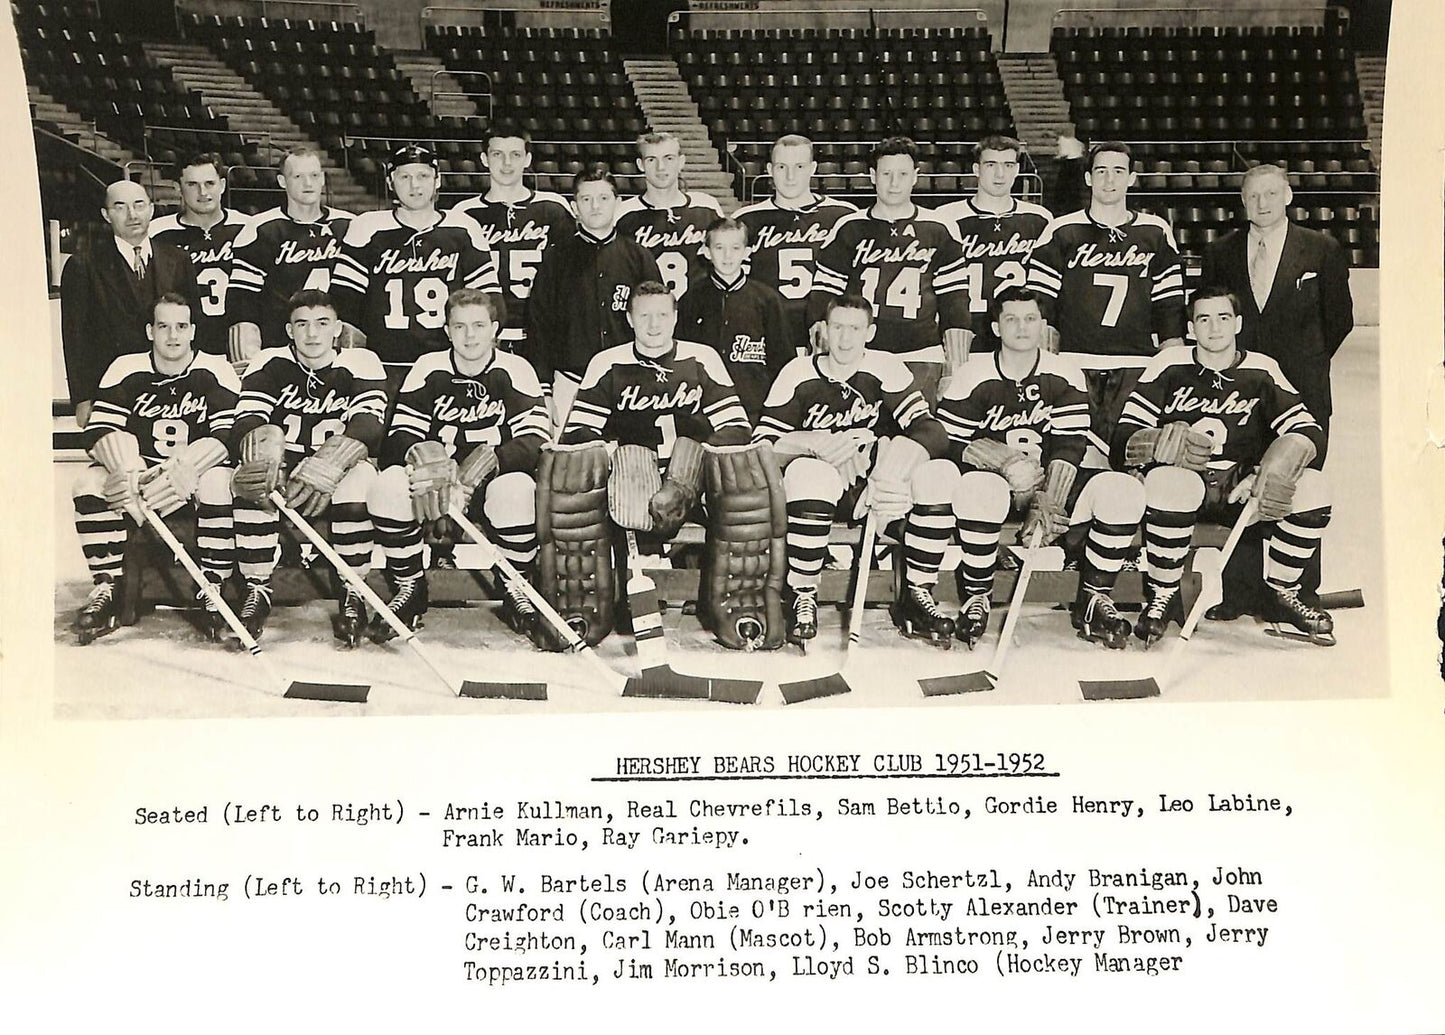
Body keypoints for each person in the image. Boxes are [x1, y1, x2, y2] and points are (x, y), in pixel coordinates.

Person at [1112, 286, 1334, 645]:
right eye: (1204, 319)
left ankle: (1284, 590)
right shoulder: (1169, 365)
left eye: (1223, 318)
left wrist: (1273, 468)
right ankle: (1163, 592)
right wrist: (1155, 444)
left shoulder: (1262, 368)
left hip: (1241, 488)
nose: (1214, 328)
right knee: (1169, 480)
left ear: (1238, 324)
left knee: (1314, 486)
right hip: (1184, 489)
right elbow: (1123, 436)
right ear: (1189, 329)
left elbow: (1307, 429)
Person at [935, 287, 1144, 649]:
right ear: (996, 327)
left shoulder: (1064, 373)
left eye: (1030, 319)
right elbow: (949, 442)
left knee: (1123, 490)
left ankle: (1095, 597)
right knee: (978, 488)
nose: (1021, 327)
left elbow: (1069, 445)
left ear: (1043, 325)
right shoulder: (973, 373)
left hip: (1051, 483)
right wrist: (997, 459)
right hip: (995, 487)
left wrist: (1050, 501)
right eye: (1011, 319)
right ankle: (977, 595)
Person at [752, 293, 957, 646]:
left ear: (870, 332)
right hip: (817, 489)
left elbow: (931, 431)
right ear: (824, 330)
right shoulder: (799, 371)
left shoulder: (885, 366)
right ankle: (803, 594)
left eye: (855, 329)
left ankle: (917, 594)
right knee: (810, 473)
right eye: (837, 328)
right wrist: (814, 443)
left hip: (877, 489)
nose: (845, 339)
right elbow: (763, 445)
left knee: (938, 476)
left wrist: (890, 463)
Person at [367, 289, 551, 644]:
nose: (470, 335)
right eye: (460, 326)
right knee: (388, 485)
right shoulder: (428, 367)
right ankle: (410, 586)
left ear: (495, 328)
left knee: (518, 489)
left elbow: (534, 441)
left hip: (491, 483)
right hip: (436, 487)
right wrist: (426, 461)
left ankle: (515, 583)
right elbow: (398, 436)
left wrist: (485, 465)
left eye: (479, 325)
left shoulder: (516, 369)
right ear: (448, 331)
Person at [70, 293, 240, 644]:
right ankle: (107, 585)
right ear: (150, 331)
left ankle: (213, 584)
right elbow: (100, 430)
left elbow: (228, 434)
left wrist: (187, 467)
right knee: (88, 482)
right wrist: (129, 474)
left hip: (194, 472)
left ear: (193, 330)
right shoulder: (126, 366)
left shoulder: (215, 368)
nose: (173, 336)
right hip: (140, 473)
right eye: (163, 326)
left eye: (181, 327)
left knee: (219, 483)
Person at [227, 290, 387, 646]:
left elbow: (369, 425)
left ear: (337, 328)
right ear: (289, 330)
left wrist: (330, 461)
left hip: (337, 468)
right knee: (255, 478)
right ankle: (257, 589)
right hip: (286, 468)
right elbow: (247, 419)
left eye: (322, 324)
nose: (312, 334)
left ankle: (353, 591)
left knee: (358, 482)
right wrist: (266, 459)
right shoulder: (269, 361)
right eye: (302, 324)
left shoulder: (361, 361)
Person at [1025, 141, 1187, 467]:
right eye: (1101, 171)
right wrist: (1048, 368)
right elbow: (1043, 313)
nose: (1109, 180)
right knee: (1077, 461)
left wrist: (1170, 377)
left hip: (1136, 365)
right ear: (1088, 178)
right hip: (1074, 362)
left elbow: (1170, 312)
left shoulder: (1155, 231)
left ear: (1131, 178)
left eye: (1118, 172)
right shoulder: (1061, 231)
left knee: (1134, 460)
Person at [1202, 162, 1354, 461]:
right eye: (1253, 196)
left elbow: (1340, 319)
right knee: (1237, 484)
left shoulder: (1322, 249)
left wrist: (1307, 355)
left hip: (1304, 387)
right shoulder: (1219, 253)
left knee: (1300, 487)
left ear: (1287, 195)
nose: (1262, 203)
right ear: (1243, 201)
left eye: (1271, 193)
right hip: (1238, 391)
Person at [807, 136, 971, 407]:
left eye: (902, 174)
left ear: (916, 176)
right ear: (873, 176)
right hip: (861, 355)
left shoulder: (940, 226)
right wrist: (825, 358)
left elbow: (955, 303)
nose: (894, 183)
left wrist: (956, 368)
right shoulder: (849, 227)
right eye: (886, 174)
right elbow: (824, 299)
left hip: (922, 355)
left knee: (919, 440)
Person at [330, 142, 502, 390]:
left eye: (423, 176)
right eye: (405, 177)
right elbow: (344, 306)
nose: (414, 185)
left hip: (448, 365)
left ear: (437, 180)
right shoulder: (366, 228)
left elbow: (490, 303)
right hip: (384, 365)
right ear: (390, 182)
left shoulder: (463, 227)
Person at [527, 165, 662, 424]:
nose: (595, 206)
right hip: (570, 381)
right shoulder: (556, 257)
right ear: (574, 205)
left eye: (603, 198)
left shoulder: (638, 256)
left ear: (617, 202)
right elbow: (539, 325)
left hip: (630, 379)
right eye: (586, 199)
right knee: (573, 461)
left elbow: (658, 320)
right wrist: (544, 389)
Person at [60, 179, 199, 428]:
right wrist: (82, 398)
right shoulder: (83, 264)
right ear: (106, 214)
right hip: (112, 390)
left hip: (170, 389)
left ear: (151, 209)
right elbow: (75, 338)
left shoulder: (178, 259)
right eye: (120, 207)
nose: (132, 214)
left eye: (139, 205)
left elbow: (193, 324)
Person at [451, 123, 575, 356]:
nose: (507, 163)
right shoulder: (464, 214)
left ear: (527, 159)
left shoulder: (554, 208)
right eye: (498, 154)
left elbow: (570, 278)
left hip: (542, 336)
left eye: (515, 155)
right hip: (483, 339)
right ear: (484, 159)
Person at [228, 147, 355, 360]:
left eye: (314, 176)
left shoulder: (349, 226)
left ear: (323, 179)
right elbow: (243, 307)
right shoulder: (259, 229)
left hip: (335, 351)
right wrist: (250, 363)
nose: (308, 183)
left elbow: (358, 304)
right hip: (279, 349)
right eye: (298, 176)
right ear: (282, 181)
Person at [733, 134, 857, 351]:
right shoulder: (746, 219)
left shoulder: (844, 216)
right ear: (770, 170)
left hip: (830, 338)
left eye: (799, 166)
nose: (790, 176)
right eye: (782, 167)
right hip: (766, 334)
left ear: (813, 168)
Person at [935, 135, 1053, 357]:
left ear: (1017, 170)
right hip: (964, 337)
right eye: (991, 165)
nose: (1000, 174)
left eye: (1008, 165)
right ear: (976, 169)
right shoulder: (945, 218)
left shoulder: (1040, 219)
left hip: (1018, 337)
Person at [675, 216, 794, 424]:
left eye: (735, 248)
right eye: (719, 248)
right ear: (706, 252)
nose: (727, 255)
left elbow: (782, 361)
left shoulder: (767, 299)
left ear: (747, 252)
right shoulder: (691, 299)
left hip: (753, 408)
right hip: (704, 409)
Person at [149, 153, 252, 357]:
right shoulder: (157, 233)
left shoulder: (248, 227)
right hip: (183, 344)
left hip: (239, 343)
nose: (202, 192)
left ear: (222, 185)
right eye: (192, 184)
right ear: (178, 188)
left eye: (209, 183)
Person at [614, 131, 723, 299]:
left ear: (681, 162)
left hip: (699, 315)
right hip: (649, 318)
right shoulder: (623, 213)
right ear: (640, 164)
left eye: (668, 158)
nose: (661, 167)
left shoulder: (707, 207)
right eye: (651, 160)